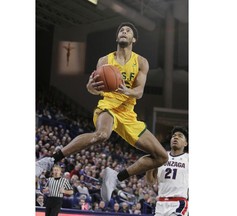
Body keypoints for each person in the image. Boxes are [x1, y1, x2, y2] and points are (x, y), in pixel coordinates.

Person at [36, 22, 168, 202]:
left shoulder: (141, 62)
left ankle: (116, 176)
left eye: (128, 31)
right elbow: (95, 89)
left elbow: (139, 91)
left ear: (133, 39)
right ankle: (50, 159)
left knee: (161, 156)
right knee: (102, 134)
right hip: (108, 107)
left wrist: (127, 91)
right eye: (121, 30)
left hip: (129, 114)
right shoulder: (104, 61)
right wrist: (90, 87)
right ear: (117, 37)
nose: (124, 31)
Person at [146, 126, 189, 216]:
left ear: (185, 143)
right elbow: (151, 182)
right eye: (174, 136)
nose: (176, 137)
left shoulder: (188, 158)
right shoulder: (161, 157)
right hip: (161, 203)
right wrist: (149, 166)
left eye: (180, 136)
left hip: (178, 203)